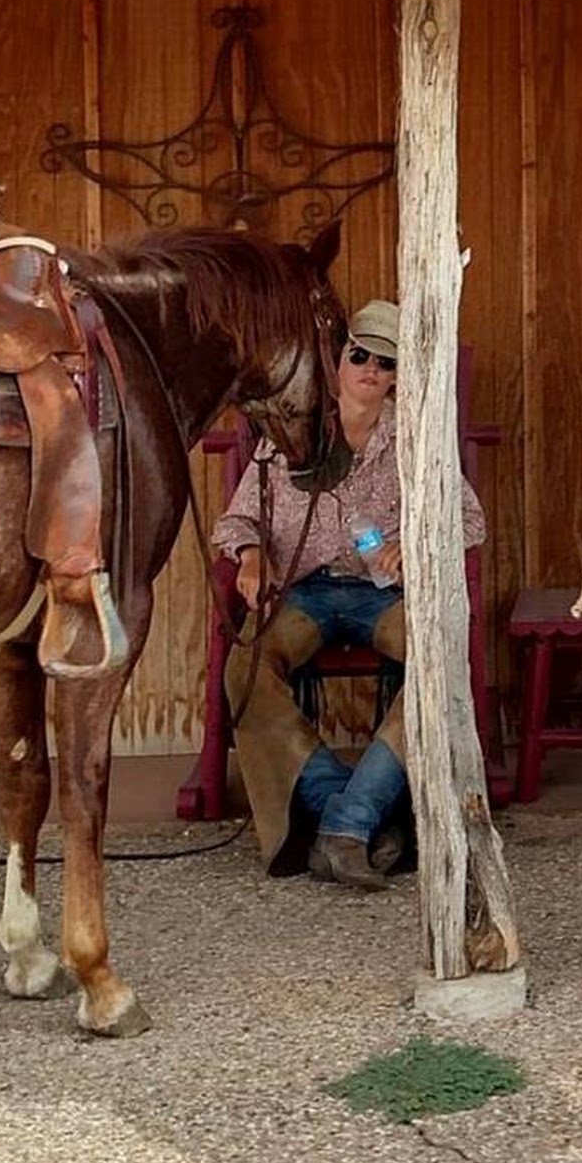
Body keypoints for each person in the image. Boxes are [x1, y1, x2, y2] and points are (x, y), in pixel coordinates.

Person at [213, 298, 487, 892]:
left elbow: (469, 520)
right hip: (304, 590)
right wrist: (254, 555)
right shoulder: (292, 433)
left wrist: (413, 544)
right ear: (336, 360)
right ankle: (359, 815)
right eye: (359, 355)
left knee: (437, 663)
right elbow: (236, 522)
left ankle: (342, 825)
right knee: (246, 669)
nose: (371, 370)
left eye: (386, 363)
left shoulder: (414, 438)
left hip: (382, 594)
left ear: (396, 377)